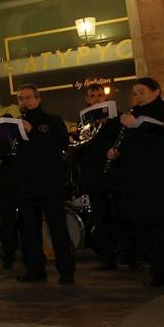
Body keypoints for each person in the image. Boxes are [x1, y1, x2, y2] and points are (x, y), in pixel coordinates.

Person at [108, 77, 164, 289]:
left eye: (142, 91)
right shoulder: (133, 115)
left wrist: (138, 126)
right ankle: (160, 272)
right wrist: (116, 153)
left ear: (156, 91)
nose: (138, 96)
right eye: (135, 93)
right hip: (142, 183)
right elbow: (134, 147)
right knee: (149, 231)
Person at [4, 85, 75, 285]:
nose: (24, 102)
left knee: (57, 227)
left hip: (49, 182)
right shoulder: (15, 123)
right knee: (29, 231)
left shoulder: (52, 121)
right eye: (20, 99)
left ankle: (66, 271)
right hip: (25, 184)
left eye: (27, 98)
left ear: (38, 99)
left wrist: (32, 131)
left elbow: (60, 145)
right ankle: (35, 270)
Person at [70, 83, 130, 270]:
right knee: (101, 218)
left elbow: (126, 142)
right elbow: (78, 150)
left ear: (105, 98)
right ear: (88, 100)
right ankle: (107, 257)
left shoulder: (118, 117)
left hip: (116, 175)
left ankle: (129, 256)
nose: (96, 98)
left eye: (99, 95)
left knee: (121, 216)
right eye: (92, 96)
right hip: (94, 177)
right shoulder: (82, 122)